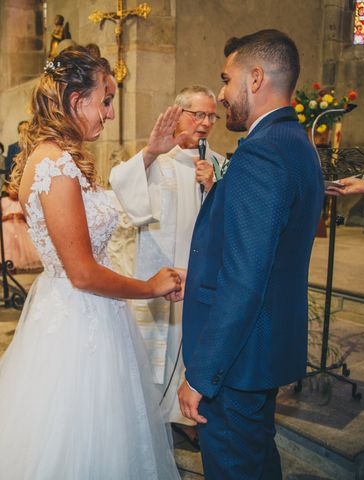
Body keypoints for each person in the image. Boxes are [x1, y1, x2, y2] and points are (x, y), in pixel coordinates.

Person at [0, 46, 183, 479]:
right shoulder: (56, 165)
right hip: (79, 318)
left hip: (89, 312)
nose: (111, 113)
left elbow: (99, 214)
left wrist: (150, 154)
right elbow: (81, 272)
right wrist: (150, 287)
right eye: (107, 99)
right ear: (76, 100)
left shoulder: (63, 157)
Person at [178, 30, 324, 479]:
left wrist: (202, 374)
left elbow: (243, 281)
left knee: (236, 467)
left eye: (226, 79)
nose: (222, 94)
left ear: (255, 78)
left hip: (236, 363)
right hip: (263, 351)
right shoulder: (296, 145)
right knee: (258, 461)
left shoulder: (262, 155)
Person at [110, 85, 225, 446]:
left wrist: (215, 187)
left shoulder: (218, 162)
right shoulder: (157, 160)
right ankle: (146, 414)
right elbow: (122, 191)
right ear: (178, 115)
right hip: (160, 273)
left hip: (199, 274)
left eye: (211, 116)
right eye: (198, 115)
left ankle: (182, 414)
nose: (206, 123)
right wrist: (148, 154)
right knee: (155, 348)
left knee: (189, 343)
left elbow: (228, 223)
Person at [0, 183, 41, 274]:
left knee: (20, 248)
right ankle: (8, 268)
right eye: (12, 189)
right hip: (6, 230)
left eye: (16, 189)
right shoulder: (3, 201)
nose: (14, 191)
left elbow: (29, 218)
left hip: (21, 230)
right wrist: (7, 217)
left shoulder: (22, 201)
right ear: (7, 190)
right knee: (7, 248)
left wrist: (22, 216)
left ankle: (18, 266)